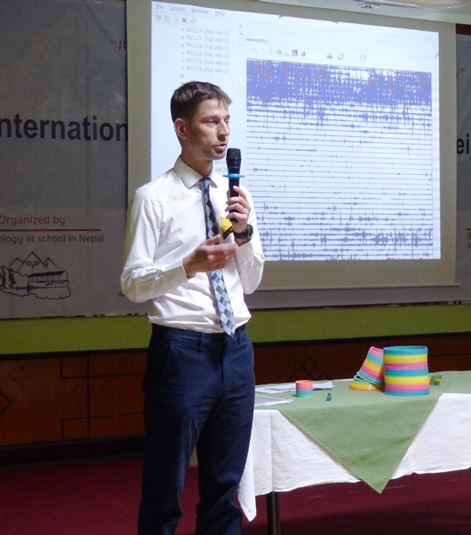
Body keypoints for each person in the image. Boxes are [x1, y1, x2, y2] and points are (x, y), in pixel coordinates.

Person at [121, 81, 264, 535]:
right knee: (165, 489)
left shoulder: (237, 195)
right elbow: (131, 284)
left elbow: (254, 281)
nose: (223, 132)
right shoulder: (154, 198)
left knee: (225, 488)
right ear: (182, 128)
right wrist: (188, 265)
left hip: (237, 349)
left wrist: (243, 237)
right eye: (211, 121)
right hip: (181, 353)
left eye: (226, 120)